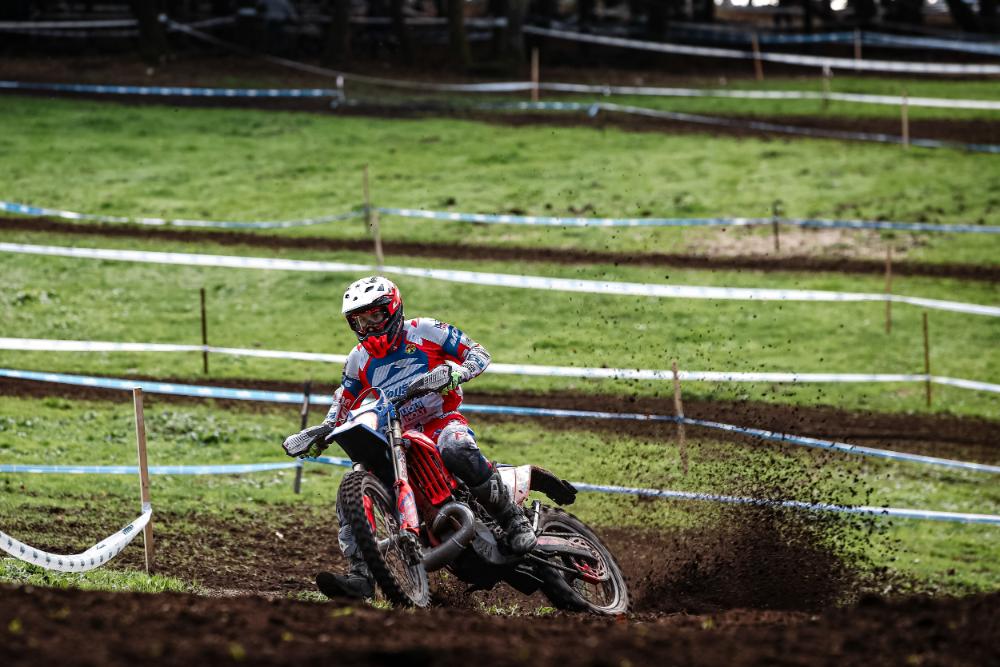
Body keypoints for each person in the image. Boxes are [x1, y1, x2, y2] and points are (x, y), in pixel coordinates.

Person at [282, 275, 537, 598]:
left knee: (456, 447)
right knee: (353, 485)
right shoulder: (357, 359)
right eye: (359, 321)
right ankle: (361, 575)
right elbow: (342, 404)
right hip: (394, 435)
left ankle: (513, 520)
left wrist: (457, 372)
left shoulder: (425, 330)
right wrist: (321, 432)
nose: (368, 327)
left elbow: (478, 352)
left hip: (439, 421)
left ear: (393, 309)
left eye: (375, 316)